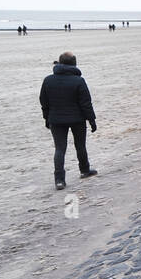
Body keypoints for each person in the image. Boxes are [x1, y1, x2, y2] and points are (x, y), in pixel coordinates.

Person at [39, 51, 98, 190]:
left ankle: (59, 180)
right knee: (80, 145)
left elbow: (43, 101)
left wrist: (46, 118)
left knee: (60, 149)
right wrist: (92, 120)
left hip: (56, 120)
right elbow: (86, 103)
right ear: (74, 64)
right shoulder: (78, 80)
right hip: (77, 119)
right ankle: (84, 171)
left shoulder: (48, 80)